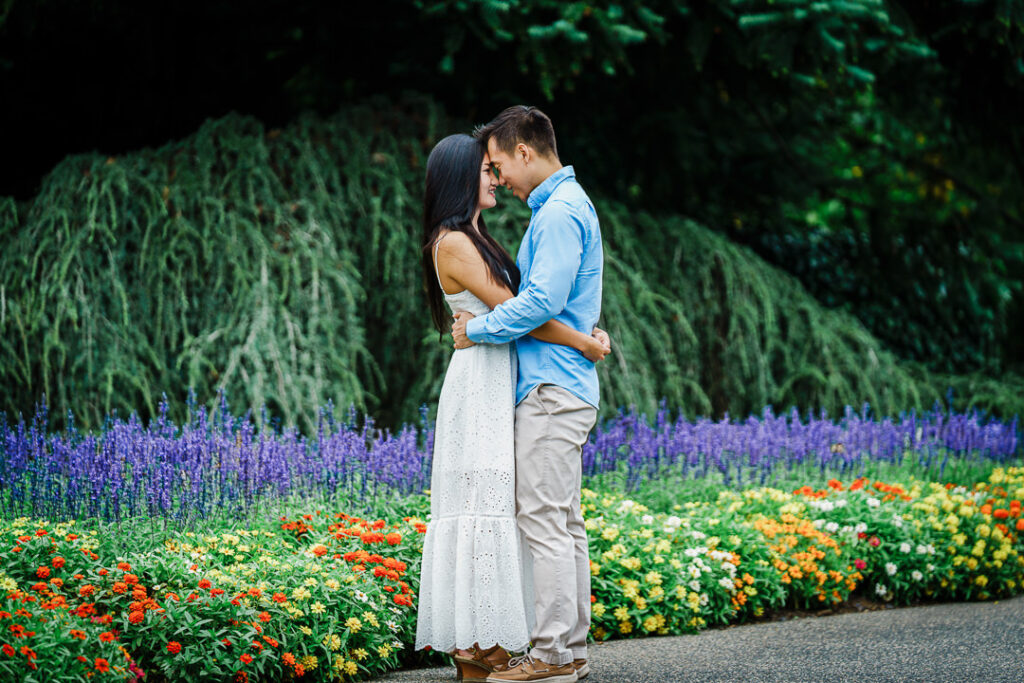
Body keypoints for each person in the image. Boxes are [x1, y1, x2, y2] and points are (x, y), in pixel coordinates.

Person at [414, 132, 610, 683]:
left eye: (494, 166)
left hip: (506, 381)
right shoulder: (453, 241)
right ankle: (478, 642)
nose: (494, 177)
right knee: (485, 508)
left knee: (515, 515)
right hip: (481, 386)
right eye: (484, 170)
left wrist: (577, 333)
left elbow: (526, 308)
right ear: (460, 179)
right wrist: (582, 342)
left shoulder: (482, 237)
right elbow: (519, 311)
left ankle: (512, 645)